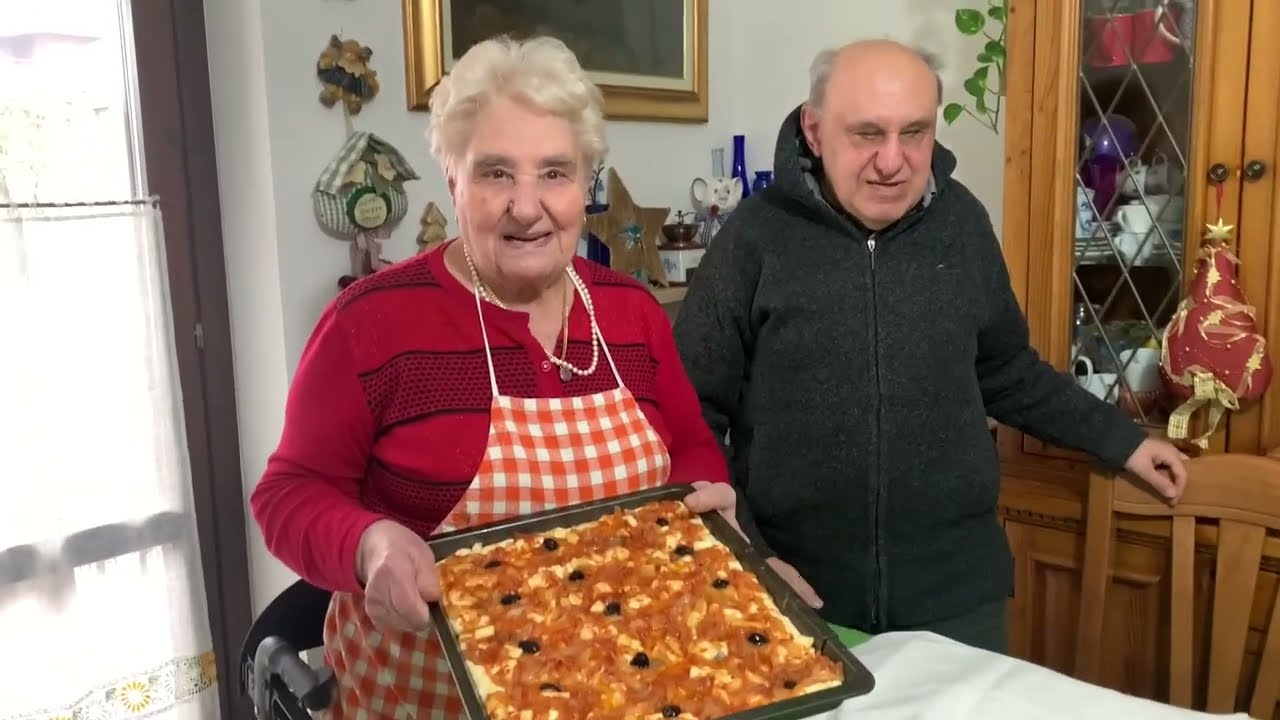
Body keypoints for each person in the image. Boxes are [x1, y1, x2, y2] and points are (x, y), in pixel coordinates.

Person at [250, 35, 734, 718]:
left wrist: (710, 498)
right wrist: (371, 544)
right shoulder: (372, 321)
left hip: (615, 683)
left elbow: (690, 449)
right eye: (496, 173)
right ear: (452, 179)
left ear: (586, 184)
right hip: (423, 698)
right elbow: (288, 494)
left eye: (555, 173)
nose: (527, 206)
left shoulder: (631, 313)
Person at [672, 39, 1189, 654]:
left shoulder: (962, 223)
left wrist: (1122, 439)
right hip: (797, 591)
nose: (892, 161)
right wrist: (751, 559)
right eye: (867, 133)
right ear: (813, 129)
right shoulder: (752, 238)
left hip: (957, 600)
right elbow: (689, 416)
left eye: (913, 133)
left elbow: (1007, 372)